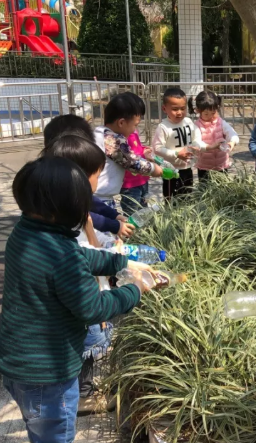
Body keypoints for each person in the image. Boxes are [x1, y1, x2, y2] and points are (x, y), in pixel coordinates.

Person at [0, 156, 149, 443]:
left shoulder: (25, 232)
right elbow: (93, 307)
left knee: (39, 428)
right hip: (49, 375)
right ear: (70, 210)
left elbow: (81, 256)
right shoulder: (63, 257)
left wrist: (121, 264)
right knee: (55, 436)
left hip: (18, 366)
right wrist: (136, 290)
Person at [41, 134, 121, 414]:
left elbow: (94, 249)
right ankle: (83, 395)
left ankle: (82, 388)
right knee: (86, 343)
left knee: (84, 341)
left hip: (86, 293)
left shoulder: (65, 212)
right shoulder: (67, 224)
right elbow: (85, 261)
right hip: (82, 300)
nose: (98, 182)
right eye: (97, 175)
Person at [42, 114, 135, 238]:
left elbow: (89, 200)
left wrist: (114, 215)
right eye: (96, 175)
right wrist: (114, 225)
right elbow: (81, 215)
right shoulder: (59, 190)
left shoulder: (57, 171)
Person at [94, 93, 163, 208]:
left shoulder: (99, 133)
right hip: (101, 198)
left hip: (96, 196)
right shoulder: (112, 139)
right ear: (121, 123)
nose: (135, 129)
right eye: (135, 125)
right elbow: (131, 161)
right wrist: (153, 168)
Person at [153, 87, 204, 198]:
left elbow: (197, 133)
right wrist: (176, 154)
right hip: (170, 170)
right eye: (175, 109)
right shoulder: (163, 127)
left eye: (182, 108)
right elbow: (157, 148)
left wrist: (196, 144)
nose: (179, 113)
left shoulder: (188, 121)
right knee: (171, 199)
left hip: (187, 168)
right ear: (164, 108)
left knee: (187, 197)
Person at [189, 90, 239, 185]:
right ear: (198, 111)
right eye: (206, 114)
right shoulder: (197, 126)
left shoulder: (221, 122)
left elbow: (232, 133)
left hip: (222, 165)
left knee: (222, 191)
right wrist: (211, 147)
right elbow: (197, 142)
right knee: (205, 191)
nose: (211, 116)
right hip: (204, 167)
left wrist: (232, 142)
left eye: (213, 112)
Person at [120, 92, 152, 216]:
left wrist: (144, 149)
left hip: (142, 179)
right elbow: (130, 155)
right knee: (132, 215)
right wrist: (142, 153)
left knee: (144, 213)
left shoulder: (133, 131)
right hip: (130, 184)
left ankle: (143, 234)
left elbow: (137, 148)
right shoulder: (120, 137)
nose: (138, 122)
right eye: (136, 121)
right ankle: (132, 235)